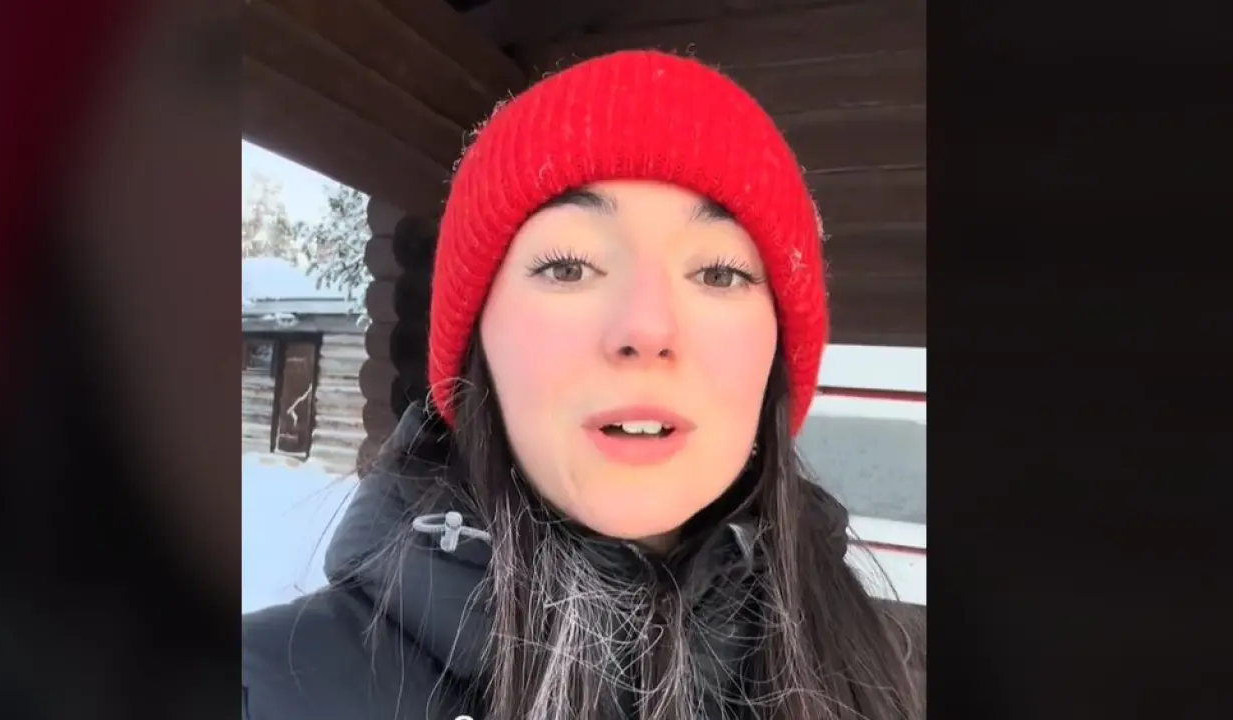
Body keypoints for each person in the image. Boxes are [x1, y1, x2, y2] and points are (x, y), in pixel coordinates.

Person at [242, 49, 924, 720]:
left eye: (719, 273)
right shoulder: (265, 691)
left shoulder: (878, 681)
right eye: (568, 267)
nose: (647, 327)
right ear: (479, 341)